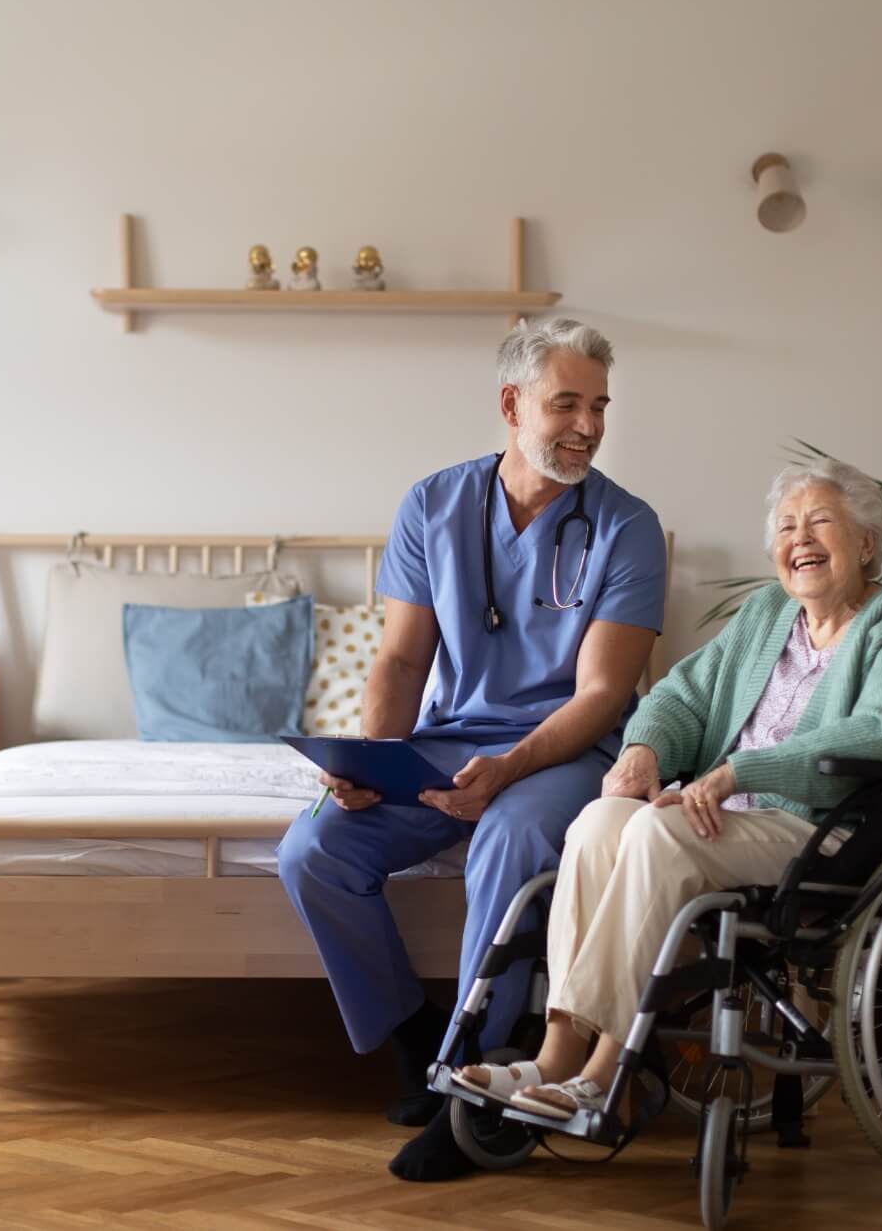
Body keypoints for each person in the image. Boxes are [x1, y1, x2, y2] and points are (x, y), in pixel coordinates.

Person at [451, 457, 882, 1134]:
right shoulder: (767, 614)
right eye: (786, 526)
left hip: (822, 830)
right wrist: (642, 754)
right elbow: (680, 695)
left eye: (820, 522)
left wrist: (741, 774)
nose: (798, 538)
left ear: (866, 542)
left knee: (657, 833)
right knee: (602, 819)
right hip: (721, 821)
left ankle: (604, 1075)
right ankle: (554, 1056)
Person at [276, 318, 667, 1181]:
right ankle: (412, 1031)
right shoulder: (433, 504)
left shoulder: (627, 527)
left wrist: (510, 772)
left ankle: (471, 1087)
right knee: (313, 848)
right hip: (452, 741)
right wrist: (370, 761)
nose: (590, 425)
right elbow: (402, 658)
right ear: (511, 403)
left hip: (571, 752)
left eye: (599, 406)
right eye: (567, 403)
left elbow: (604, 693)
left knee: (512, 840)